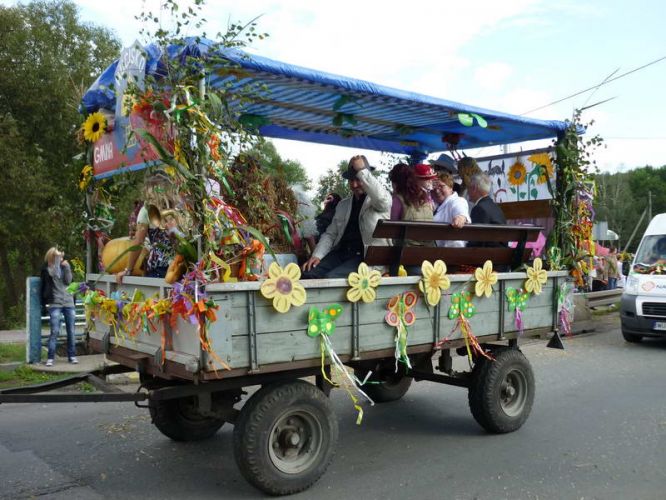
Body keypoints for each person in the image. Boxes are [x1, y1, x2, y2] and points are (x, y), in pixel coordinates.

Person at [302, 155, 391, 278]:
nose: (354, 185)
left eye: (358, 179)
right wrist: (317, 255)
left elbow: (383, 200)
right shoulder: (343, 205)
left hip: (365, 258)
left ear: (366, 177)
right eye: (351, 180)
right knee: (307, 273)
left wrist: (362, 171)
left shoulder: (378, 202)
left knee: (331, 279)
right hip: (341, 254)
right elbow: (330, 234)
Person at [116, 169, 180, 282]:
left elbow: (138, 242)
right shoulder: (180, 207)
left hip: (159, 268)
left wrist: (128, 269)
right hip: (181, 266)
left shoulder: (146, 210)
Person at [40, 247, 77, 366]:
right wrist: (43, 304)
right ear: (52, 257)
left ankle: (72, 356)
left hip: (68, 302)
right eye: (57, 256)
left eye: (61, 256)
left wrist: (67, 267)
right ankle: (50, 357)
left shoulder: (64, 267)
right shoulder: (46, 270)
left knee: (71, 330)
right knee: (55, 330)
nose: (60, 259)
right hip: (55, 303)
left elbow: (68, 281)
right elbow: (50, 280)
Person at [468, 173, 507, 247]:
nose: (468, 191)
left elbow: (475, 240)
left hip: (489, 254)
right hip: (501, 253)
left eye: (469, 187)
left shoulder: (479, 209)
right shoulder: (495, 206)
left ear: (474, 188)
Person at [432, 171, 470, 247]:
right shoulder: (434, 205)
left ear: (450, 188)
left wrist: (461, 217)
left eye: (441, 186)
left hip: (451, 252)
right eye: (434, 187)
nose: (437, 190)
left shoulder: (457, 200)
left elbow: (460, 210)